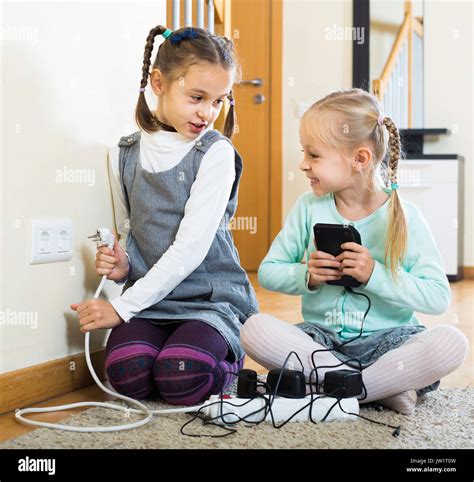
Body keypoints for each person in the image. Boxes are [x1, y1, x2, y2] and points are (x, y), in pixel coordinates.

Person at [240, 88, 468, 415]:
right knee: (254, 329)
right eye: (304, 153)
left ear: (360, 159)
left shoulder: (405, 217)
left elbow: (437, 298)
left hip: (391, 343)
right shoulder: (308, 208)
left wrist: (376, 275)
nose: (303, 164)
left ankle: (347, 385)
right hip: (323, 343)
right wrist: (306, 275)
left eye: (314, 155)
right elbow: (269, 272)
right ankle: (378, 387)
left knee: (451, 342)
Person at [71, 25, 258, 406]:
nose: (208, 113)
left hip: (209, 299)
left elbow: (189, 249)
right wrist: (122, 264)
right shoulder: (122, 154)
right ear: (158, 82)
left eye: (218, 101)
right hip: (151, 301)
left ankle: (230, 366)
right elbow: (131, 233)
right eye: (197, 97)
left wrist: (119, 308)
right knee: (128, 374)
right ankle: (178, 354)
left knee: (181, 378)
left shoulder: (215, 154)